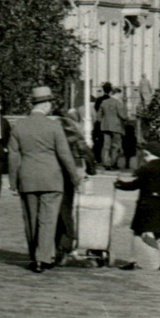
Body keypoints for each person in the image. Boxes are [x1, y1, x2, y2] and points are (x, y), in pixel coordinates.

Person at [6, 84, 80, 273]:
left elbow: (13, 156)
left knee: (31, 218)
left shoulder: (18, 126)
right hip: (52, 179)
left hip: (27, 179)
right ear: (46, 105)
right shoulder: (54, 126)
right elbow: (65, 155)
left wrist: (13, 182)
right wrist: (75, 178)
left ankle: (34, 256)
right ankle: (43, 258)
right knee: (47, 220)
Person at [113, 145, 160, 271]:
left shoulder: (146, 169)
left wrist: (119, 184)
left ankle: (132, 261)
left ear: (147, 154)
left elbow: (135, 185)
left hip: (146, 204)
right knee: (158, 233)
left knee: (137, 231)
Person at [51, 99, 98, 262]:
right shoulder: (72, 127)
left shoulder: (49, 126)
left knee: (52, 210)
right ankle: (65, 243)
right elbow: (85, 150)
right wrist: (92, 169)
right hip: (68, 173)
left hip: (50, 173)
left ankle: (53, 245)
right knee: (65, 209)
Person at [96, 82, 126, 170]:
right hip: (116, 127)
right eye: (120, 94)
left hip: (105, 127)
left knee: (106, 146)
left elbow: (98, 117)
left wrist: (104, 121)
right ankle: (113, 163)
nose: (121, 96)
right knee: (116, 146)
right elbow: (122, 116)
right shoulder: (118, 103)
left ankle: (106, 163)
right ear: (117, 94)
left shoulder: (104, 102)